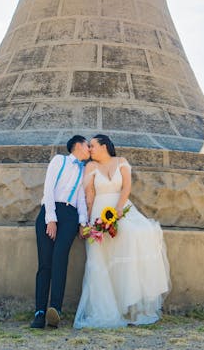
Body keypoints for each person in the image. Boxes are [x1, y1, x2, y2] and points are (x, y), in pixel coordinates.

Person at [74, 134, 170, 329]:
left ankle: (131, 306)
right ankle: (107, 309)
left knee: (138, 235)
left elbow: (126, 187)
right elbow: (89, 195)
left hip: (121, 209)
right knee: (101, 258)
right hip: (99, 212)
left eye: (92, 146)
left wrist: (118, 209)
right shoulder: (90, 167)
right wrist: (86, 223)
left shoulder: (121, 162)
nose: (89, 149)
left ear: (104, 146)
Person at [30, 134, 90, 329]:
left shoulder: (84, 170)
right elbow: (48, 189)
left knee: (60, 261)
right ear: (78, 146)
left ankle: (54, 310)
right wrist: (51, 219)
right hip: (50, 212)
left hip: (70, 216)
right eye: (88, 146)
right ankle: (39, 312)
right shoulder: (59, 160)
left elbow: (81, 198)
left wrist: (83, 222)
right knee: (45, 264)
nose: (90, 149)